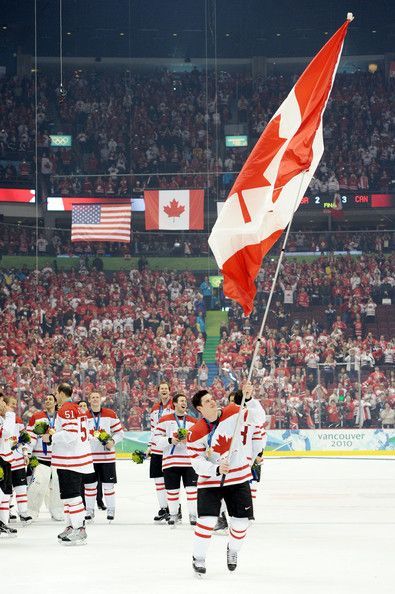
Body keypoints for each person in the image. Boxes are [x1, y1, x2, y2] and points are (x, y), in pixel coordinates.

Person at [187, 389, 254, 576]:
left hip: (238, 477)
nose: (212, 402)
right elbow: (196, 462)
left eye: (212, 399)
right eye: (207, 401)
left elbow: (256, 416)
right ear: (200, 408)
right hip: (210, 482)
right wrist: (215, 469)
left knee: (241, 524)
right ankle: (198, 558)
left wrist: (249, 398)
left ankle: (232, 551)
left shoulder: (233, 411)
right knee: (206, 521)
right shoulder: (195, 432)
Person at [50, 383, 94, 545]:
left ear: (61, 393)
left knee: (73, 496)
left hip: (71, 459)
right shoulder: (78, 408)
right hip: (74, 458)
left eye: (57, 392)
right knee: (67, 496)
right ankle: (70, 525)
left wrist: (52, 436)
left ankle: (79, 529)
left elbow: (70, 435)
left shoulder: (66, 409)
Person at [153, 393, 197, 526]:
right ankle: (173, 514)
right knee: (172, 490)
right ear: (175, 404)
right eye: (182, 400)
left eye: (185, 400)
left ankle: (193, 515)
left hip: (189, 462)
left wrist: (188, 441)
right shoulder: (164, 420)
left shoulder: (193, 421)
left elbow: (199, 440)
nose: (185, 403)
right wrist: (170, 440)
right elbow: (156, 439)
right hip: (170, 462)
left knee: (192, 490)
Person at [84, 391, 124, 522]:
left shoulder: (110, 414)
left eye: (97, 397)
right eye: (92, 398)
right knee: (90, 485)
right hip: (90, 458)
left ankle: (111, 509)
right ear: (89, 400)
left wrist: (113, 441)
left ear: (100, 399)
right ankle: (89, 510)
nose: (95, 399)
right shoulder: (83, 416)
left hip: (107, 457)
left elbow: (119, 433)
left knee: (108, 485)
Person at [26, 393, 63, 521]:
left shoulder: (62, 417)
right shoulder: (37, 416)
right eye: (46, 399)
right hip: (40, 457)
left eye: (50, 399)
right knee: (37, 485)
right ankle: (31, 510)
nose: (47, 401)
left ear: (56, 402)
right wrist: (28, 452)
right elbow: (31, 436)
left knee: (57, 485)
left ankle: (57, 509)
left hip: (58, 457)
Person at [3, 396, 32, 524]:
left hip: (18, 459)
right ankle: (6, 512)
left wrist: (25, 453)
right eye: (12, 404)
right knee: (6, 489)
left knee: (21, 487)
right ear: (5, 405)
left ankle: (23, 512)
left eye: (15, 404)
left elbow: (25, 438)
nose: (15, 406)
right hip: (5, 461)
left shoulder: (18, 420)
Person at [148, 381, 174, 522]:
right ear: (158, 391)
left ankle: (174, 508)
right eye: (161, 389)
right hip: (157, 449)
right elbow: (153, 430)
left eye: (166, 388)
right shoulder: (155, 408)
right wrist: (149, 446)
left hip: (170, 449)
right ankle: (163, 508)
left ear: (169, 391)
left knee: (170, 481)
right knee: (158, 480)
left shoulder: (174, 405)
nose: (164, 390)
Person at [0, 394, 18, 537]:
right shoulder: (7, 417)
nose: (4, 405)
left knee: (6, 493)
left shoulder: (2, 419)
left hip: (6, 460)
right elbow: (6, 432)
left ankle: (3, 524)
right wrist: (10, 415)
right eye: (1, 402)